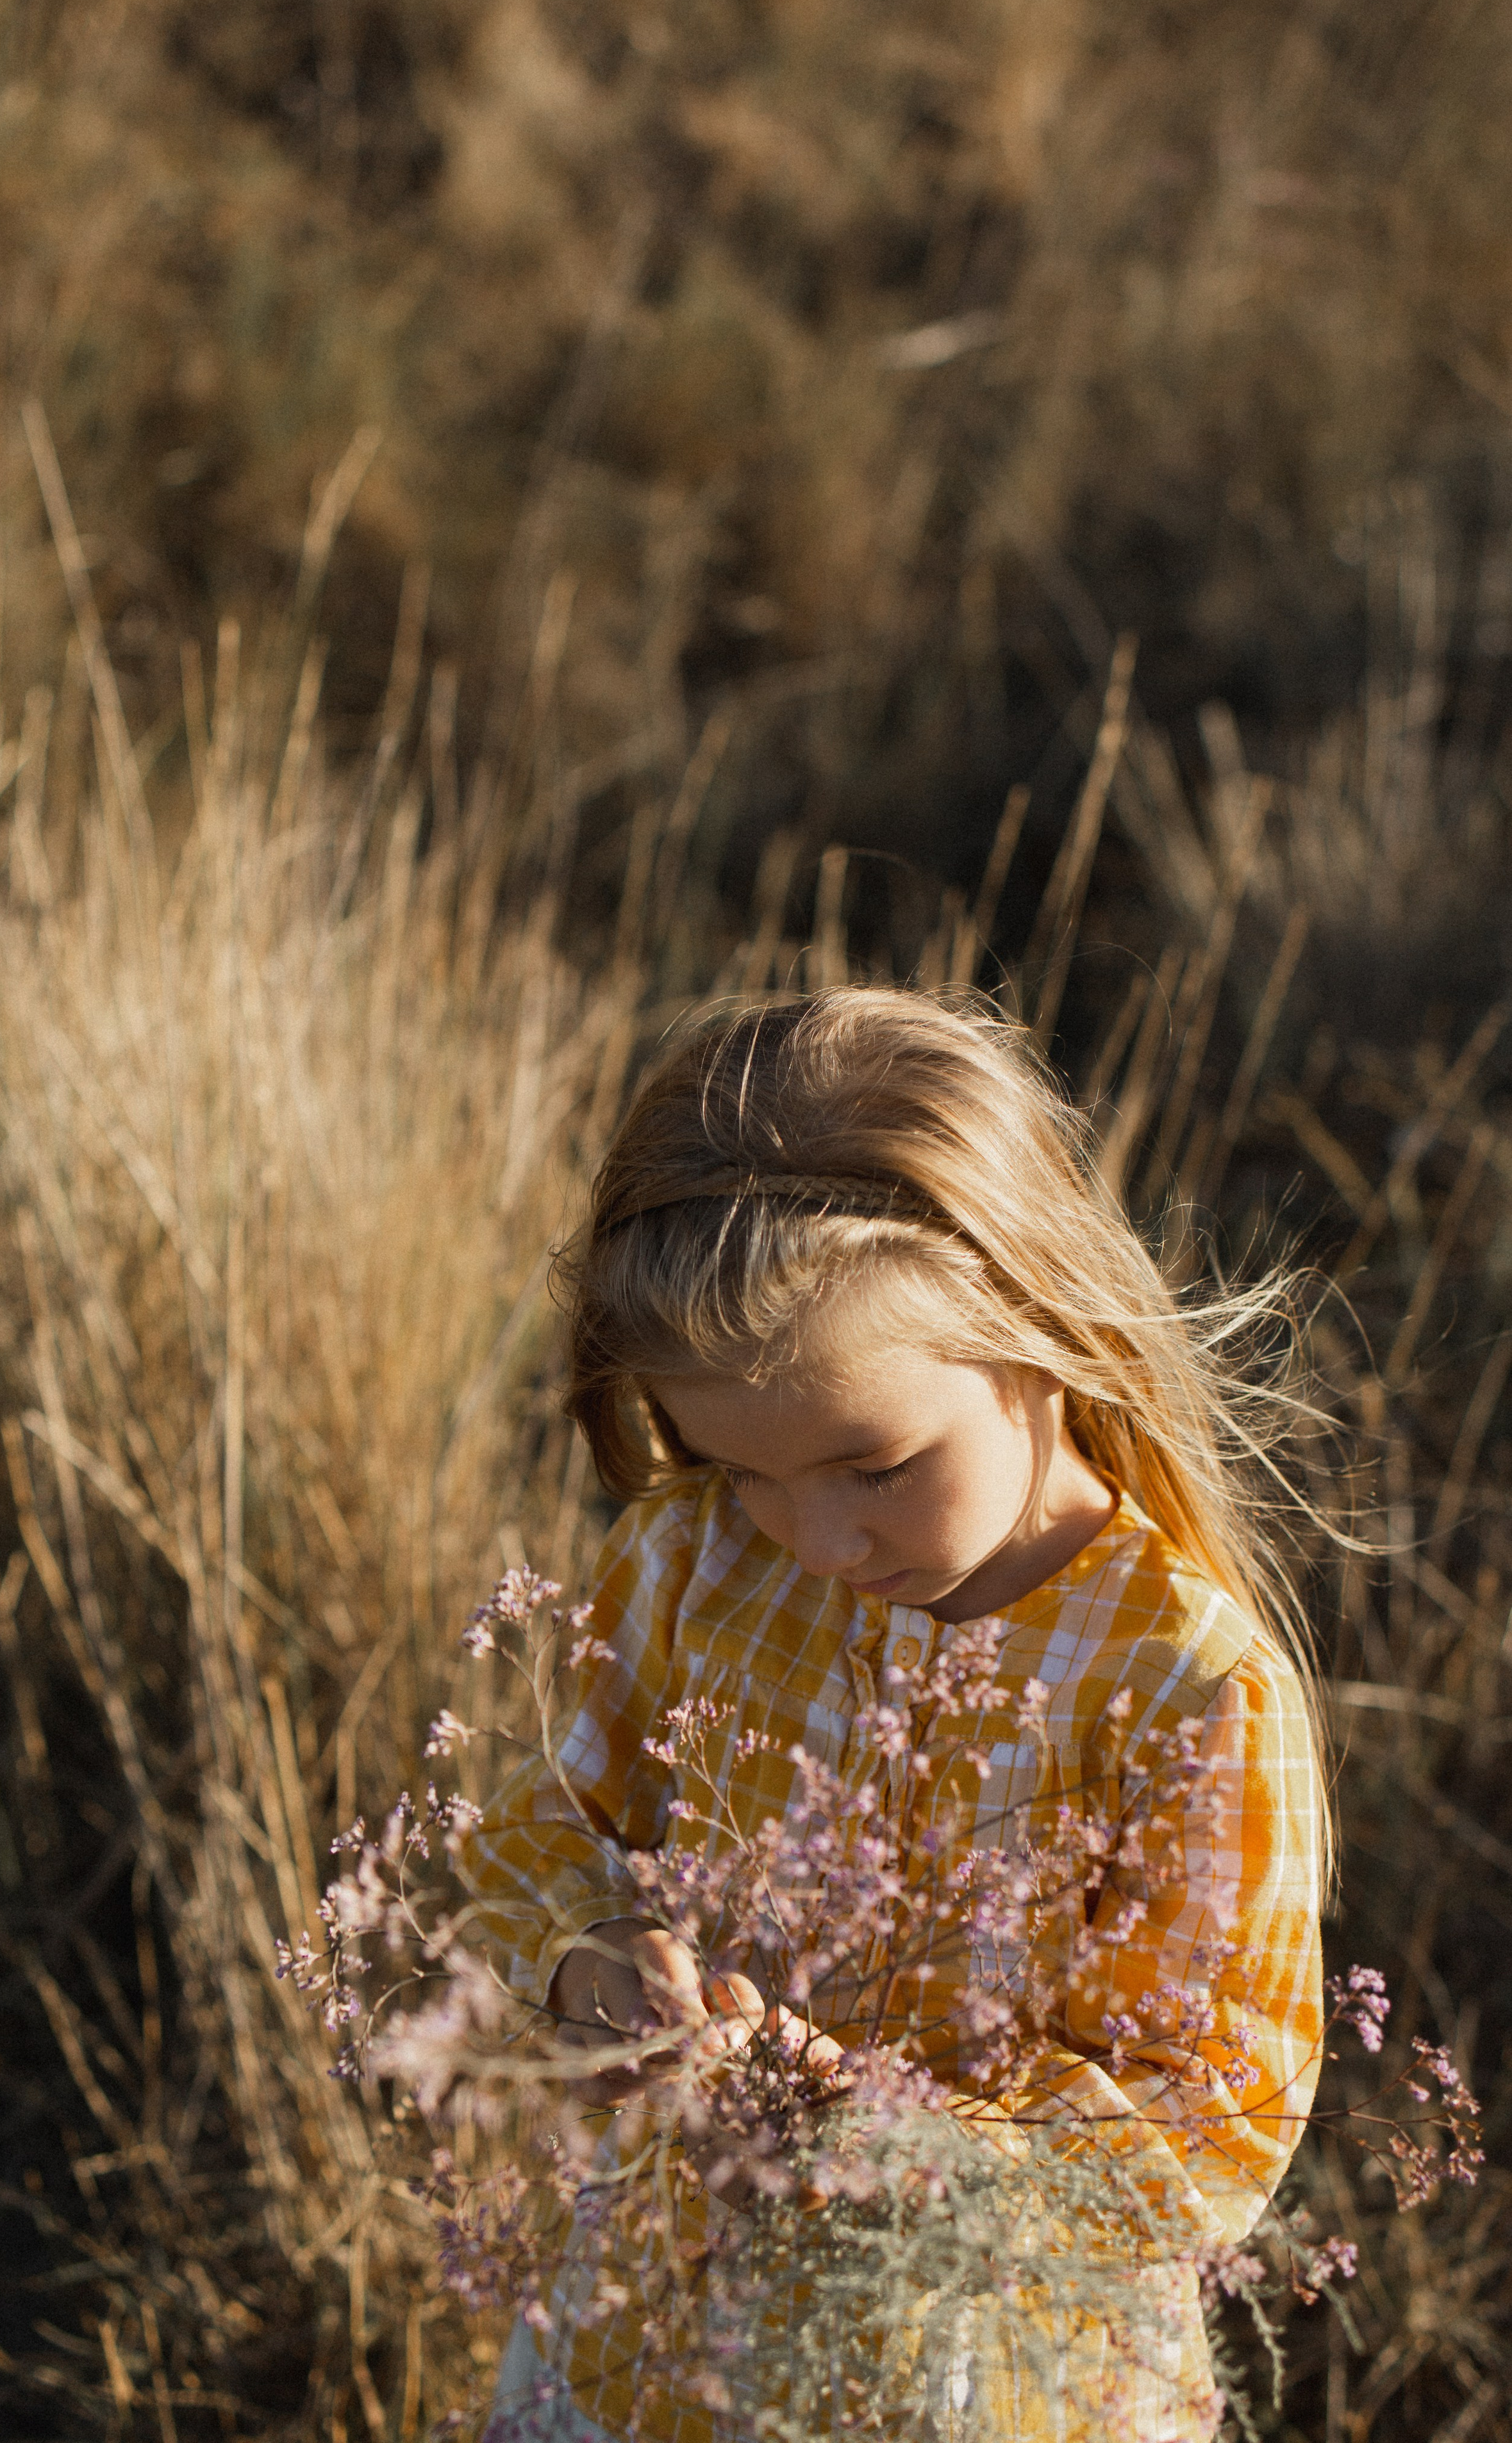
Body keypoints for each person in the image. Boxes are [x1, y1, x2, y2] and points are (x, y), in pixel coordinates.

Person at [458, 988, 1326, 2442]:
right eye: (741, 1468)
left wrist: (891, 2131)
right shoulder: (691, 1563)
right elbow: (536, 1826)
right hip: (658, 2335)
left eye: (872, 1465)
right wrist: (588, 1955)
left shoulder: (1183, 1687)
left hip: (984, 2373)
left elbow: (1212, 2119)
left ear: (1036, 1324)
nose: (816, 1540)